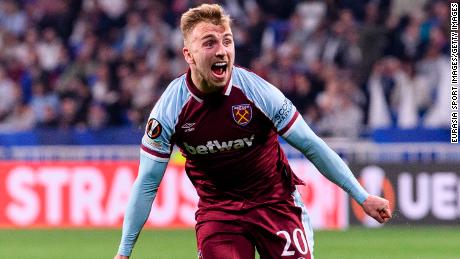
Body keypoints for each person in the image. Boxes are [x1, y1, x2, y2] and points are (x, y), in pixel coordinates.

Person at [114, 4, 391, 259]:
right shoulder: (169, 110)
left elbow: (311, 144)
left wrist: (362, 196)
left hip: (276, 205)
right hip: (219, 212)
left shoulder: (258, 92)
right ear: (189, 55)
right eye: (209, 43)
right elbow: (147, 183)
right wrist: (124, 252)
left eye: (227, 41)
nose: (222, 51)